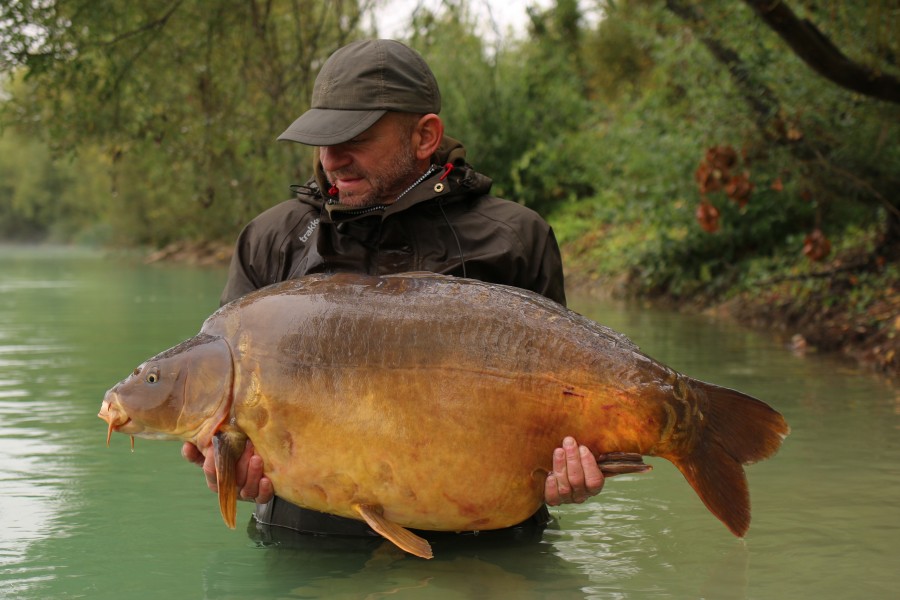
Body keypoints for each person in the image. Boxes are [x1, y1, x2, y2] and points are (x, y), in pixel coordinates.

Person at [182, 39, 604, 545]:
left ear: (425, 136)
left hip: (483, 549)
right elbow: (223, 410)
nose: (331, 159)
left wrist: (573, 467)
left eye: (352, 136)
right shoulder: (271, 240)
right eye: (322, 138)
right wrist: (221, 460)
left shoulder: (515, 238)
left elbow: (565, 406)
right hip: (309, 547)